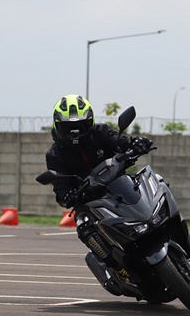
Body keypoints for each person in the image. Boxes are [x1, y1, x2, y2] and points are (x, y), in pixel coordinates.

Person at [45, 94, 154, 293]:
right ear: (58, 125)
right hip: (87, 201)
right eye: (69, 127)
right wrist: (67, 196)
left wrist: (137, 143)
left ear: (90, 121)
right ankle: (117, 268)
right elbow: (60, 187)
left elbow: (122, 142)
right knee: (83, 225)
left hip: (118, 184)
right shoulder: (55, 154)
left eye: (80, 125)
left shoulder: (101, 133)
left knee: (153, 181)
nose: (75, 132)